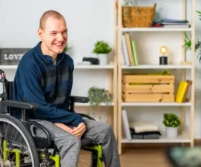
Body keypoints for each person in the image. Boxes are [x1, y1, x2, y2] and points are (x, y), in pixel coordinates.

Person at [12, 10, 121, 167]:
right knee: (71, 141)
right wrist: (73, 120)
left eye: (64, 32)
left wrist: (68, 122)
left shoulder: (67, 62)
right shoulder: (29, 64)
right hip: (31, 119)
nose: (61, 38)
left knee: (105, 130)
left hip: (59, 116)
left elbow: (62, 101)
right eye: (54, 33)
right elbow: (38, 107)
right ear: (40, 34)